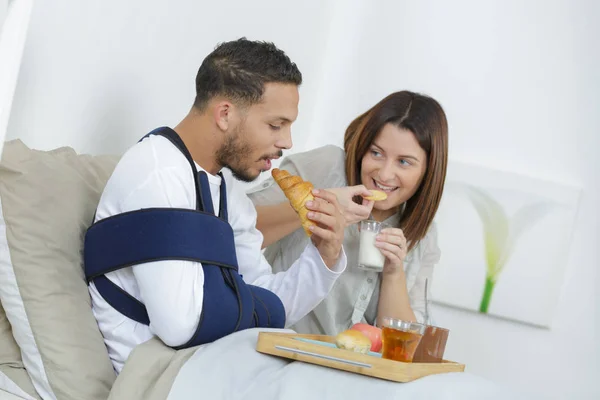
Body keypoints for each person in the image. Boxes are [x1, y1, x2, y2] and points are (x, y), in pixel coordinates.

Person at [84, 38, 348, 373]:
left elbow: (270, 299)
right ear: (225, 114)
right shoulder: (158, 173)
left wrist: (324, 255)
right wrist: (251, 304)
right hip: (156, 378)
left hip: (207, 368)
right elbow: (182, 326)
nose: (287, 142)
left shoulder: (224, 189)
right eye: (275, 125)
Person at [248, 90, 448, 336]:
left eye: (404, 162)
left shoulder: (423, 234)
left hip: (345, 370)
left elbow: (400, 342)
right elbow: (232, 230)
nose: (384, 174)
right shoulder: (326, 166)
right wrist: (316, 205)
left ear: (428, 171)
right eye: (376, 153)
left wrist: (394, 272)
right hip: (274, 349)